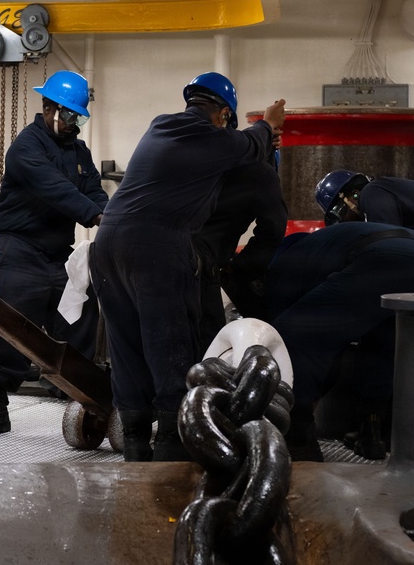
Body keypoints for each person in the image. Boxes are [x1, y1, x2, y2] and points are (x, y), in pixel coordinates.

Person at [88, 72, 285, 462]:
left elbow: (243, 147)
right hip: (159, 249)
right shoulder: (213, 142)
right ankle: (171, 455)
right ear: (222, 115)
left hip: (107, 243)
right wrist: (268, 124)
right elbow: (249, 147)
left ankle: (135, 445)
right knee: (171, 349)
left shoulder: (161, 128)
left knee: (126, 348)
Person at [0, 70, 107, 437]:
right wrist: (96, 215)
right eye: (68, 116)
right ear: (48, 108)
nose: (72, 124)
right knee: (11, 327)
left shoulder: (79, 150)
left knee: (79, 318)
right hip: (20, 251)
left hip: (57, 253)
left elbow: (93, 188)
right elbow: (56, 189)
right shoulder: (26, 147)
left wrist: (112, 215)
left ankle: (81, 399)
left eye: (78, 117)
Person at [265, 221, 414, 462]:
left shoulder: (282, 265)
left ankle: (300, 442)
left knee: (291, 336)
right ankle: (370, 436)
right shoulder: (329, 245)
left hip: (386, 259)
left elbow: (295, 341)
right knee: (382, 344)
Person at [192, 138, 287, 352]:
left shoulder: (208, 164)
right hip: (198, 263)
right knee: (211, 349)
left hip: (143, 251)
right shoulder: (261, 172)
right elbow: (273, 229)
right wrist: (243, 265)